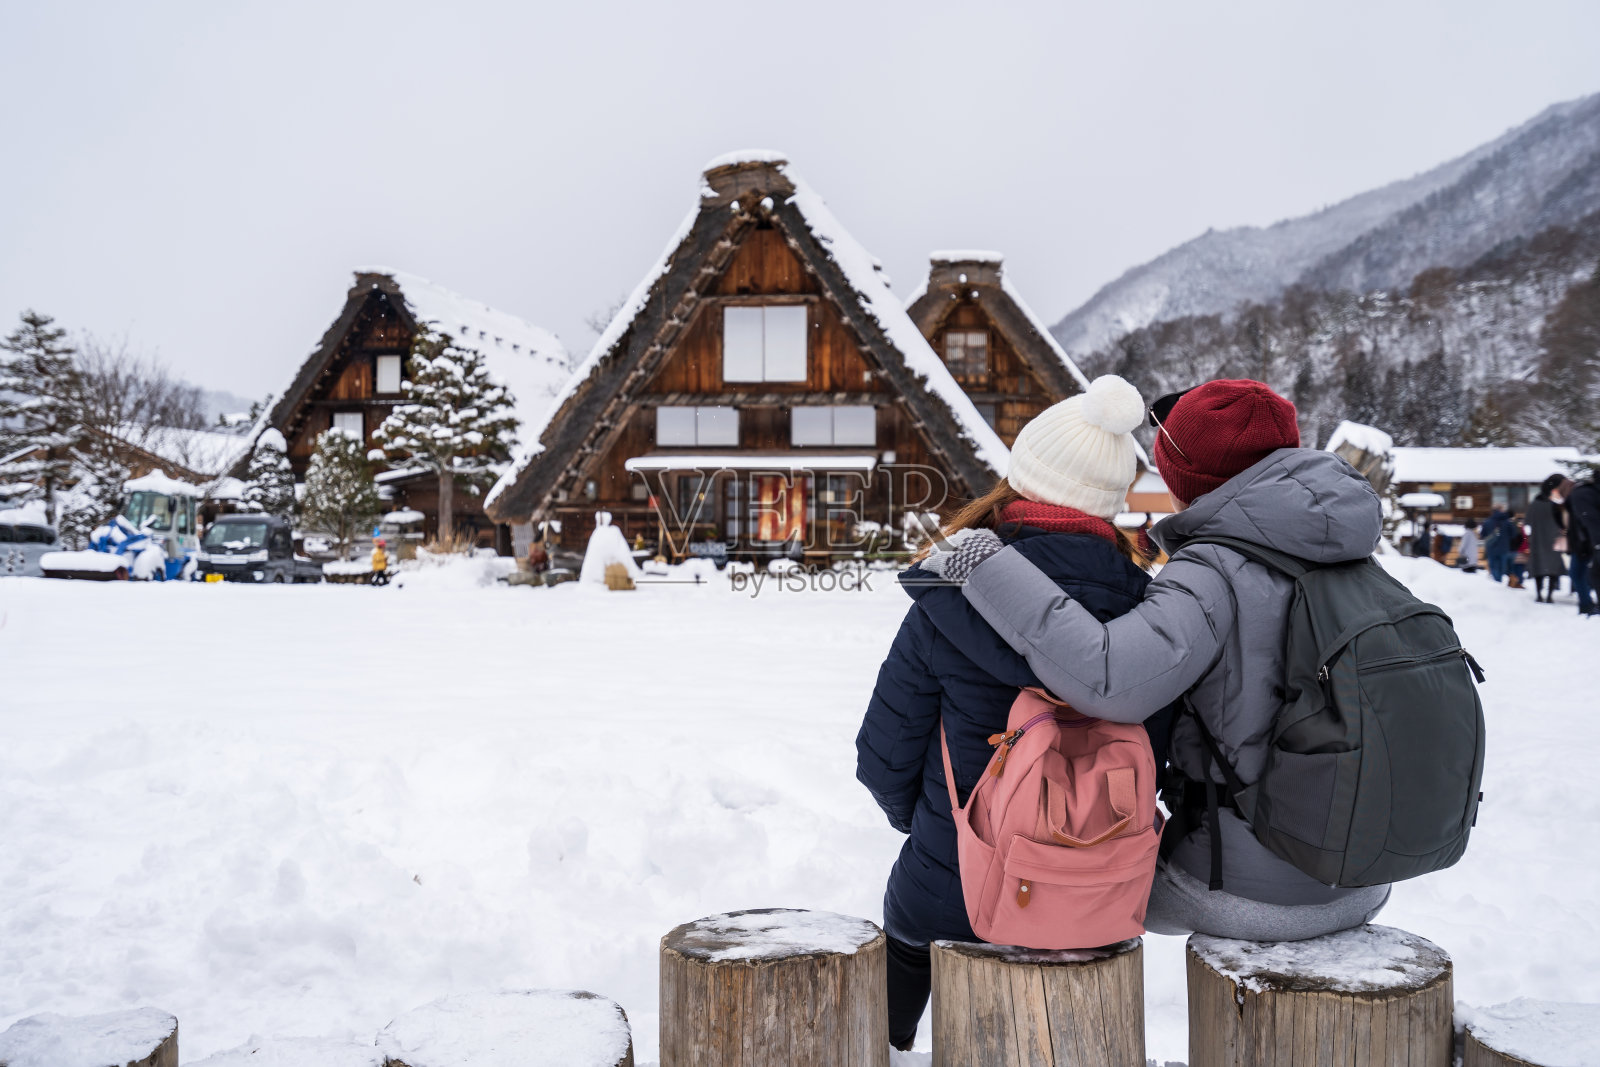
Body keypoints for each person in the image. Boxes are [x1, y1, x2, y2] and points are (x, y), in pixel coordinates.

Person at [922, 379, 1391, 942]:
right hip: (1363, 876)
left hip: (1250, 889)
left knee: (1079, 882)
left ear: (1183, 481)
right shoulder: (1348, 550)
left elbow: (1110, 680)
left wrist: (985, 565)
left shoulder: (1214, 570)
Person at [855, 375, 1176, 1052]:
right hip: (1097, 894)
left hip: (956, 885)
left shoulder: (952, 594)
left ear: (1022, 475)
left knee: (905, 935)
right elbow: (1162, 751)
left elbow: (884, 754)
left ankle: (889, 1046)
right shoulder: (1150, 611)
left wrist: (940, 827)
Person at [1525, 474, 1568, 603]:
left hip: (1537, 540)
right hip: (1553, 540)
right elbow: (1563, 523)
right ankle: (1549, 595)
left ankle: (1539, 594)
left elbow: (1527, 522)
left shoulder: (1534, 504)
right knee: (1552, 569)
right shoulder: (1556, 505)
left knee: (1538, 568)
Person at [1568, 474, 1600, 617]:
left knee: (1588, 573)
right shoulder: (1586, 493)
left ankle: (1587, 605)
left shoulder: (1581, 495)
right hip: (1586, 544)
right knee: (1591, 573)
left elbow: (1591, 521)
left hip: (1587, 544)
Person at [1480, 506, 1515, 582]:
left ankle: (1497, 581)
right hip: (1504, 548)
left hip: (1491, 548)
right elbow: (1513, 535)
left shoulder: (1487, 522)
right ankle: (1499, 580)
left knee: (1493, 567)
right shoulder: (1507, 522)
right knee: (1502, 567)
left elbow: (1482, 535)